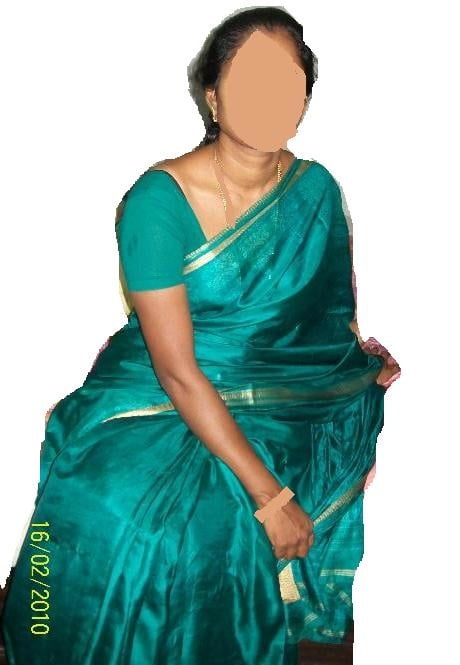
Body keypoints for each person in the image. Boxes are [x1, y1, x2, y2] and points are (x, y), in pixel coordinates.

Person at [0, 7, 400, 665]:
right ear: (212, 96)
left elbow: (327, 311)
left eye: (288, 83)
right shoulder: (157, 201)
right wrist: (270, 497)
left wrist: (351, 364)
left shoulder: (316, 190)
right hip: (161, 387)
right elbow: (177, 370)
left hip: (282, 391)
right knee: (138, 518)